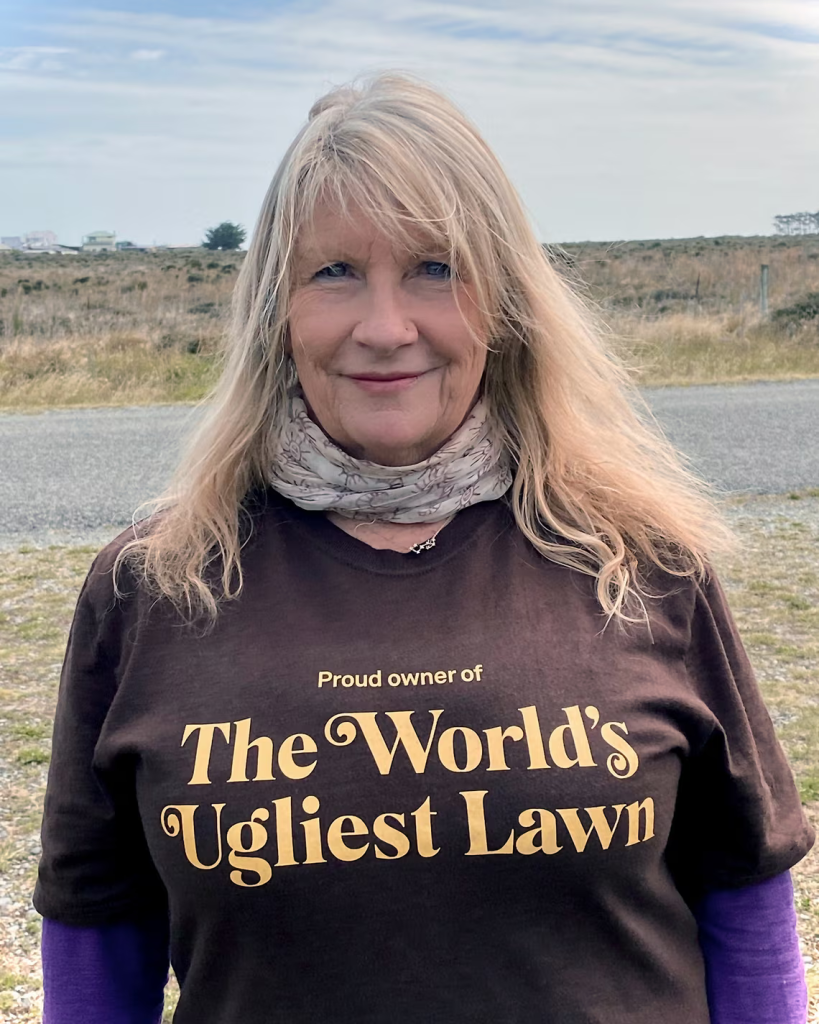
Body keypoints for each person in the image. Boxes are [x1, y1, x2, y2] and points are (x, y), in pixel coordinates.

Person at [35, 71, 813, 1024]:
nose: (385, 327)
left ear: (506, 302)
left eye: (435, 269)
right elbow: (94, 929)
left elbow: (746, 895)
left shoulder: (639, 559)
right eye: (333, 273)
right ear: (275, 311)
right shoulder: (153, 586)